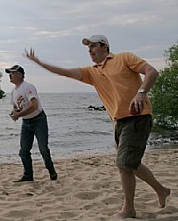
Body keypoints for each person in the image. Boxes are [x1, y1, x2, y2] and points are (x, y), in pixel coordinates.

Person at [25, 35, 171, 218]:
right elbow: (64, 72)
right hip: (119, 122)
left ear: (105, 46)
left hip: (138, 117)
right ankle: (161, 190)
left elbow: (152, 72)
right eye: (88, 48)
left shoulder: (124, 58)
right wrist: (39, 62)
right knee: (129, 163)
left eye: (93, 46)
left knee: (124, 164)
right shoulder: (91, 72)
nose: (90, 50)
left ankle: (129, 209)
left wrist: (141, 93)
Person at [6, 65, 58, 182]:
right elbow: (16, 108)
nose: (10, 75)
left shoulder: (28, 87)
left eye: (12, 73)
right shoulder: (13, 92)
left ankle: (51, 169)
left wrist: (18, 115)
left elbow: (34, 106)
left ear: (20, 74)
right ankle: (28, 176)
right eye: (9, 73)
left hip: (39, 120)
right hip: (26, 122)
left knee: (43, 149)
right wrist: (14, 113)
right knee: (23, 151)